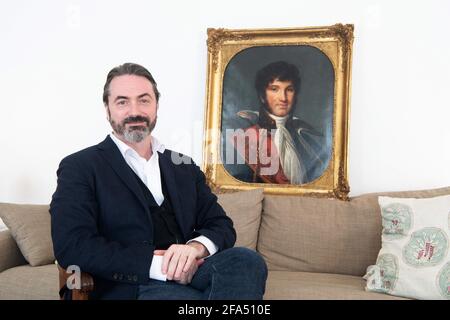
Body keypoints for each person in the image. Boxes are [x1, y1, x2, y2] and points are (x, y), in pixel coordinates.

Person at [50, 62, 267, 300]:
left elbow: (221, 225)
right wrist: (156, 265)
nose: (135, 111)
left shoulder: (183, 165)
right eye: (122, 101)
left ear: (156, 106)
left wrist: (194, 249)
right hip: (128, 284)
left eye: (144, 100)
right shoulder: (79, 166)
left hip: (190, 271)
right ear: (107, 109)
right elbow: (72, 245)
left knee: (247, 261)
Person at [230, 61, 329, 184]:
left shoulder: (305, 136)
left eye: (289, 90)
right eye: (274, 89)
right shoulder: (243, 135)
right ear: (262, 95)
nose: (283, 98)